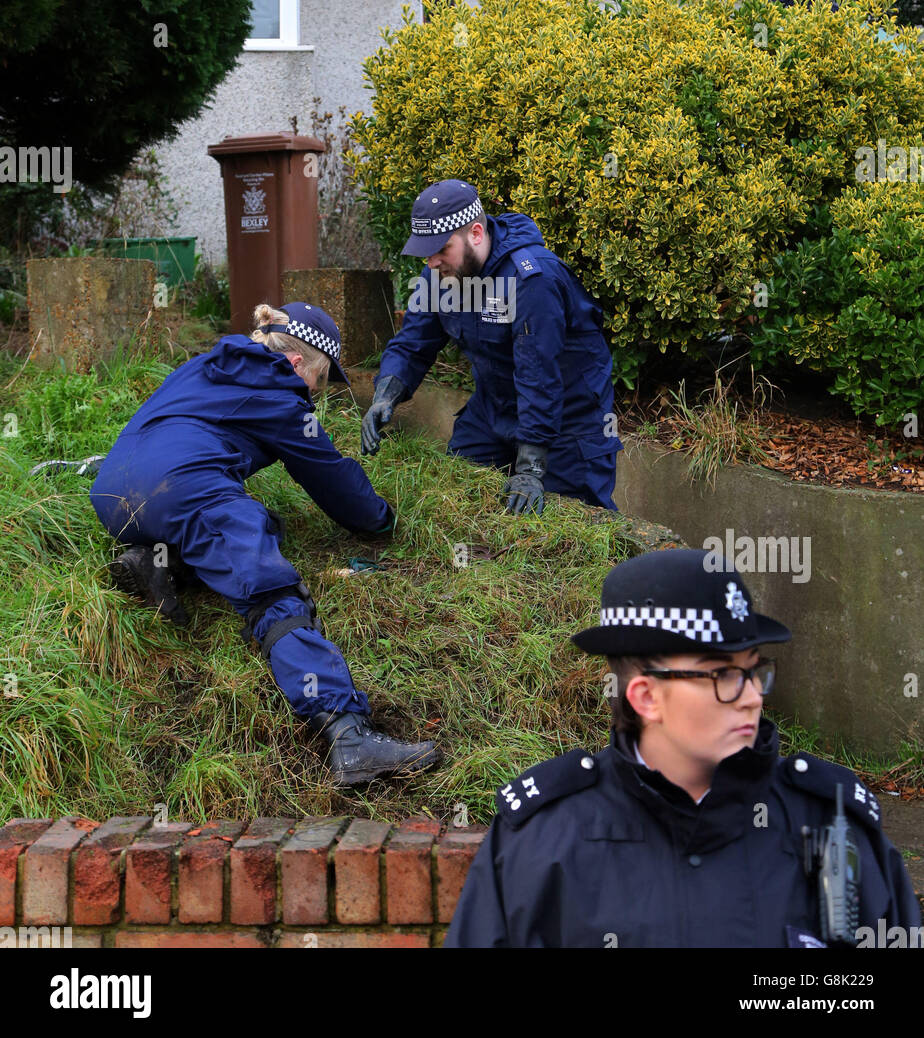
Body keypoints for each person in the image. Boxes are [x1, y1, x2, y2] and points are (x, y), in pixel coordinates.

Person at [444, 547, 919, 948]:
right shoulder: (545, 838)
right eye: (724, 675)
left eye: (754, 670)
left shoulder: (831, 820)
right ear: (647, 697)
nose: (753, 696)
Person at [89, 300, 440, 789]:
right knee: (270, 588)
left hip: (113, 496)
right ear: (297, 363)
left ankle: (156, 563)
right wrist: (382, 521)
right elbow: (332, 478)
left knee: (257, 524)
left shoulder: (206, 363)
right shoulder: (281, 394)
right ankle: (348, 732)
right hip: (185, 490)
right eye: (318, 381)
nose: (315, 394)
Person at [361, 179, 623, 515]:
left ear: (475, 234)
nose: (431, 262)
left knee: (571, 526)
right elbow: (413, 342)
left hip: (568, 419)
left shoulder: (532, 280)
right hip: (494, 408)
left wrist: (530, 469)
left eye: (442, 250)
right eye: (426, 253)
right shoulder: (440, 276)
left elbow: (538, 374)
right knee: (458, 499)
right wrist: (386, 393)